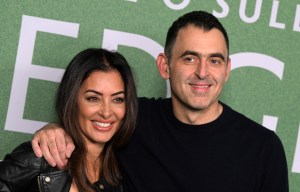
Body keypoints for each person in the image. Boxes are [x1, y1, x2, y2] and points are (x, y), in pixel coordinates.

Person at [31, 11, 289, 192]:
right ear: (164, 66)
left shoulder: (263, 148)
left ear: (227, 69)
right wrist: (56, 129)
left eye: (214, 60)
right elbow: (93, 118)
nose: (202, 72)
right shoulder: (132, 119)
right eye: (189, 59)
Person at [0, 48, 138, 192]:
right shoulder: (39, 158)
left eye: (117, 99)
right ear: (72, 100)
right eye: (93, 98)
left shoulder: (124, 172)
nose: (106, 112)